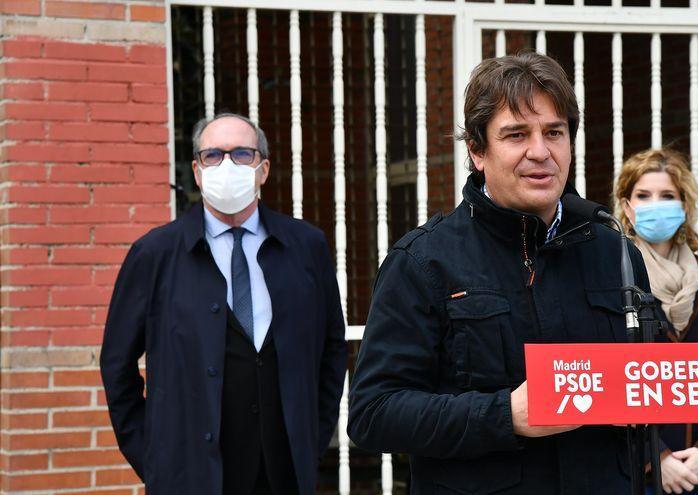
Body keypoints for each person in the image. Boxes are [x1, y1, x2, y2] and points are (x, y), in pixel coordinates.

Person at [347, 52, 651, 494]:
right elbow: (374, 412)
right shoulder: (423, 260)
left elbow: (646, 379)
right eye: (516, 135)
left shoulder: (615, 250)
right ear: (477, 150)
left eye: (554, 132)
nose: (540, 152)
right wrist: (507, 415)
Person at [100, 113, 347, 495]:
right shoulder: (154, 255)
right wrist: (153, 456)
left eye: (242, 154)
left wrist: (310, 439)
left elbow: (331, 348)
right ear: (197, 172)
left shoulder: (306, 247)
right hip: (191, 477)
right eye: (213, 155)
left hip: (283, 475)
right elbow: (117, 364)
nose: (227, 165)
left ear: (263, 170)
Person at [614, 148, 698, 494]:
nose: (655, 203)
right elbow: (609, 377)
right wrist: (655, 456)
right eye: (643, 195)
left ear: (684, 205)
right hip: (639, 471)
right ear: (627, 207)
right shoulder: (613, 278)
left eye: (667, 195)